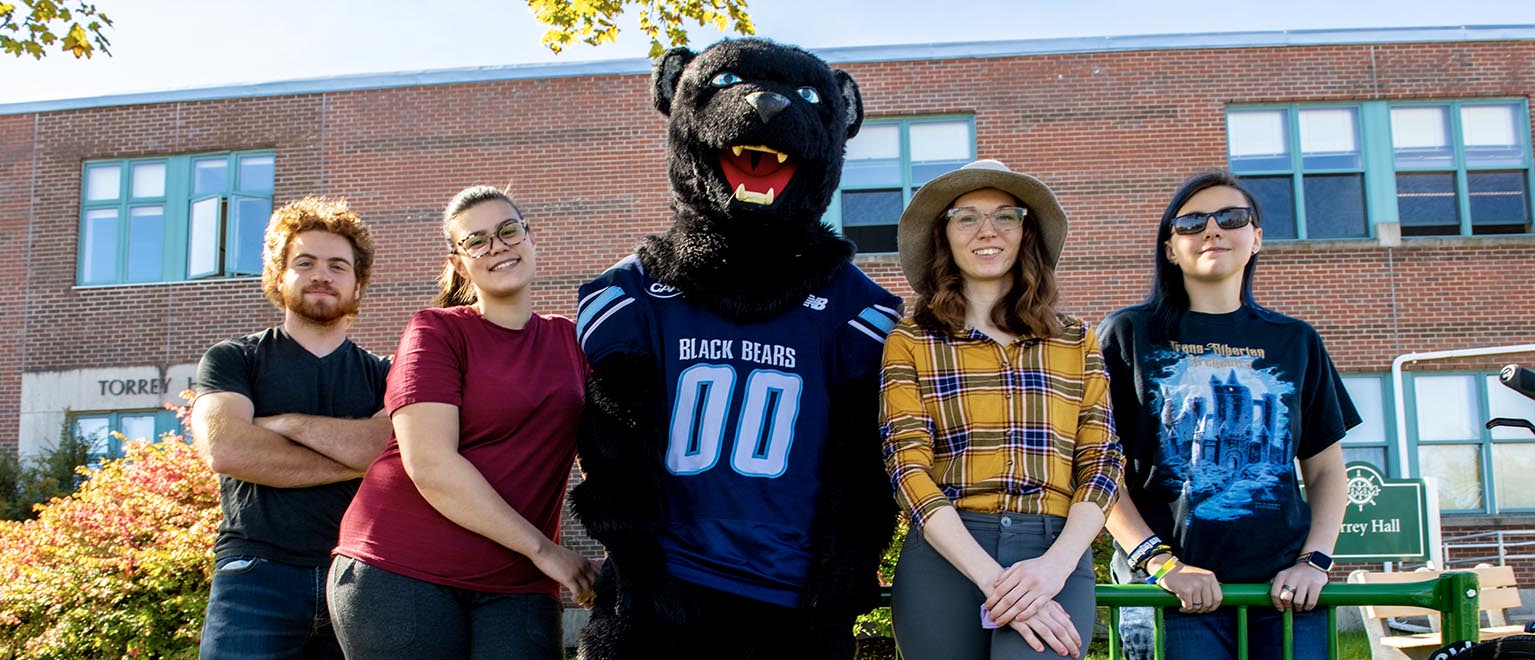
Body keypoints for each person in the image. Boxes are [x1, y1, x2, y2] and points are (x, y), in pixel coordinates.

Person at [327, 185, 599, 660]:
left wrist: (629, 553)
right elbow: (429, 463)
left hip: (520, 584)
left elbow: (605, 455)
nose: (498, 246)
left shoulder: (574, 343)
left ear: (529, 237)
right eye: (476, 241)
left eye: (508, 230)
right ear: (458, 262)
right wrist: (546, 551)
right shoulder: (437, 331)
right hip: (401, 569)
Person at [1098, 170, 1359, 660]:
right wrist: (1160, 564)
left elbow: (1325, 470)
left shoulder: (1295, 341)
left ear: (1256, 237)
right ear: (1171, 248)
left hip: (1282, 595)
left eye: (1231, 217)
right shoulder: (1129, 335)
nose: (1212, 230)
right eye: (1192, 222)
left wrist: (1314, 562)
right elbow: (1098, 466)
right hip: (1168, 591)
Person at [881, 159, 1123, 660]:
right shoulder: (911, 340)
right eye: (966, 217)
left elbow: (1102, 461)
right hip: (946, 555)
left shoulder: (1077, 340)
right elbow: (907, 465)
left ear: (1025, 230)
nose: (986, 231)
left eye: (1005, 216)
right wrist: (997, 581)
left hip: (1053, 551)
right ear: (943, 234)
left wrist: (1053, 568)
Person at [191, 196, 393, 659]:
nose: (322, 274)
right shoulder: (234, 359)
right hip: (254, 574)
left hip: (359, 576)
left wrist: (285, 424)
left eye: (338, 266)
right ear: (279, 277)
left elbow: (388, 450)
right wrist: (359, 457)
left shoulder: (387, 374)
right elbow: (226, 449)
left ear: (357, 286)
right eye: (305, 262)